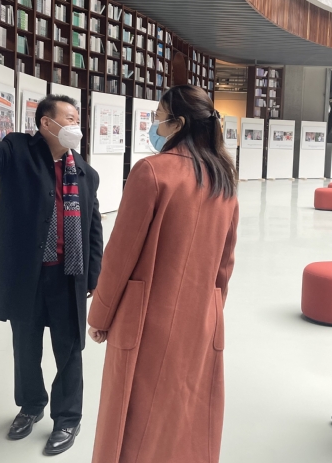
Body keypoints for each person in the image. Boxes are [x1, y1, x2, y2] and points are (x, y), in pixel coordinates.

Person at [0, 95, 103, 456]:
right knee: (26, 347)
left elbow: (93, 228)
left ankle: (67, 418)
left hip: (68, 276)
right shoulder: (19, 151)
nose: (75, 126)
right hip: (29, 275)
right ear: (46, 123)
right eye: (69, 118)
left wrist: (94, 275)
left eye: (77, 119)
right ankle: (31, 405)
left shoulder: (86, 173)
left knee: (69, 351)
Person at [86, 85, 239, 463]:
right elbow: (225, 264)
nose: (154, 126)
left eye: (158, 118)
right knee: (185, 417)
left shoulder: (152, 172)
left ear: (178, 123)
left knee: (134, 422)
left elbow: (120, 254)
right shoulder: (224, 178)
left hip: (146, 320)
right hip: (202, 319)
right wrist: (211, 311)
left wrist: (100, 316)